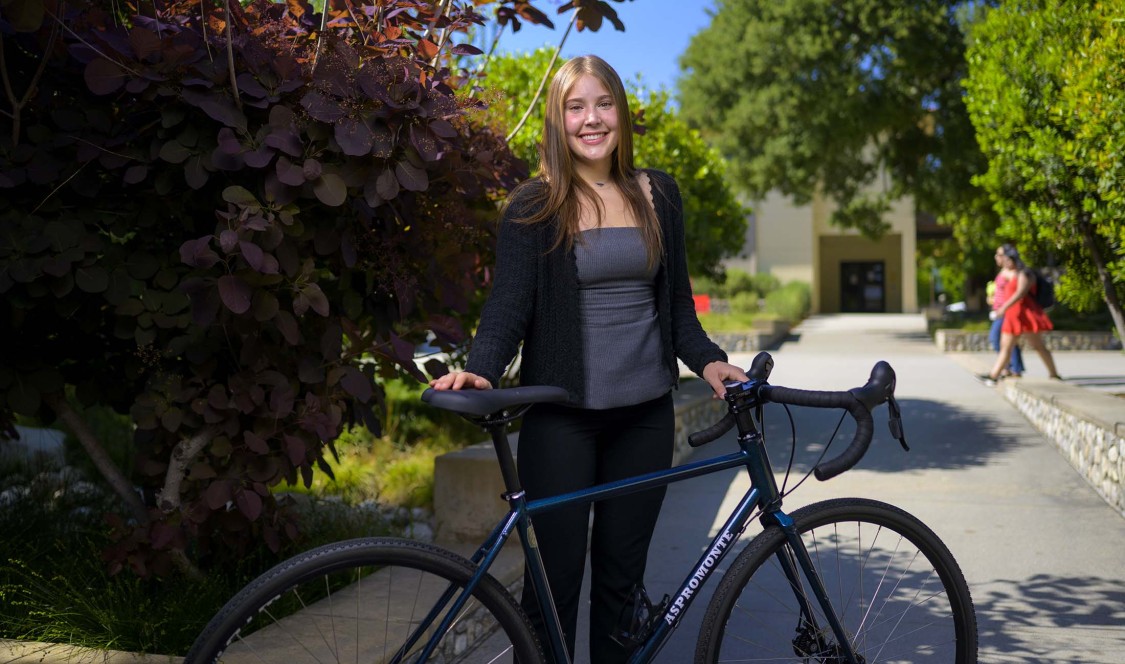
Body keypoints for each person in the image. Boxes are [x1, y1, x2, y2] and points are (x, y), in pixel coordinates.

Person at [428, 54, 747, 663]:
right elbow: (508, 306)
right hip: (562, 420)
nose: (592, 119)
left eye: (603, 104)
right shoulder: (534, 205)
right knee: (553, 591)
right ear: (558, 119)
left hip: (645, 418)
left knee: (622, 589)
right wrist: (482, 369)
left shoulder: (659, 194)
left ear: (620, 112)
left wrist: (709, 362)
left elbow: (677, 307)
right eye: (576, 107)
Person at [980, 244, 1060, 385]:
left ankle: (1053, 373)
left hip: (1026, 315)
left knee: (1038, 345)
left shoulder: (1025, 274)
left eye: (1007, 259)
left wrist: (1003, 308)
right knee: (1006, 347)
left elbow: (1020, 293)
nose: (1005, 262)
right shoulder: (1010, 273)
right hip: (1013, 315)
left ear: (1013, 259)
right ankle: (994, 375)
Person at [988, 245, 1024, 378]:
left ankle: (1010, 367)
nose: (996, 257)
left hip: (1006, 311)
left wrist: (1003, 307)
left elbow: (1016, 290)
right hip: (999, 311)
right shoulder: (1004, 271)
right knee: (1007, 342)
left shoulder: (1012, 272)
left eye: (999, 255)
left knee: (997, 338)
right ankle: (1012, 368)